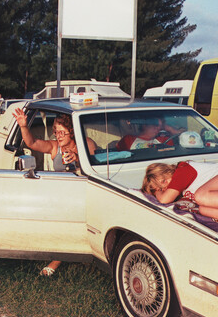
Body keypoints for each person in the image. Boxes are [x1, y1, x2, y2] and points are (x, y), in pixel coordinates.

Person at [11, 107, 97, 276]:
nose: (59, 136)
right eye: (56, 132)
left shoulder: (86, 144)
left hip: (84, 193)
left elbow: (96, 166)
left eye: (63, 132)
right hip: (62, 195)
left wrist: (79, 159)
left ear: (72, 132)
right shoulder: (54, 147)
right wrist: (23, 126)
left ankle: (56, 261)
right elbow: (32, 143)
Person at [116, 116, 182, 151]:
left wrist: (170, 129)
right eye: (155, 124)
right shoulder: (129, 139)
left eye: (160, 125)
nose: (158, 128)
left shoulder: (163, 139)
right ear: (144, 125)